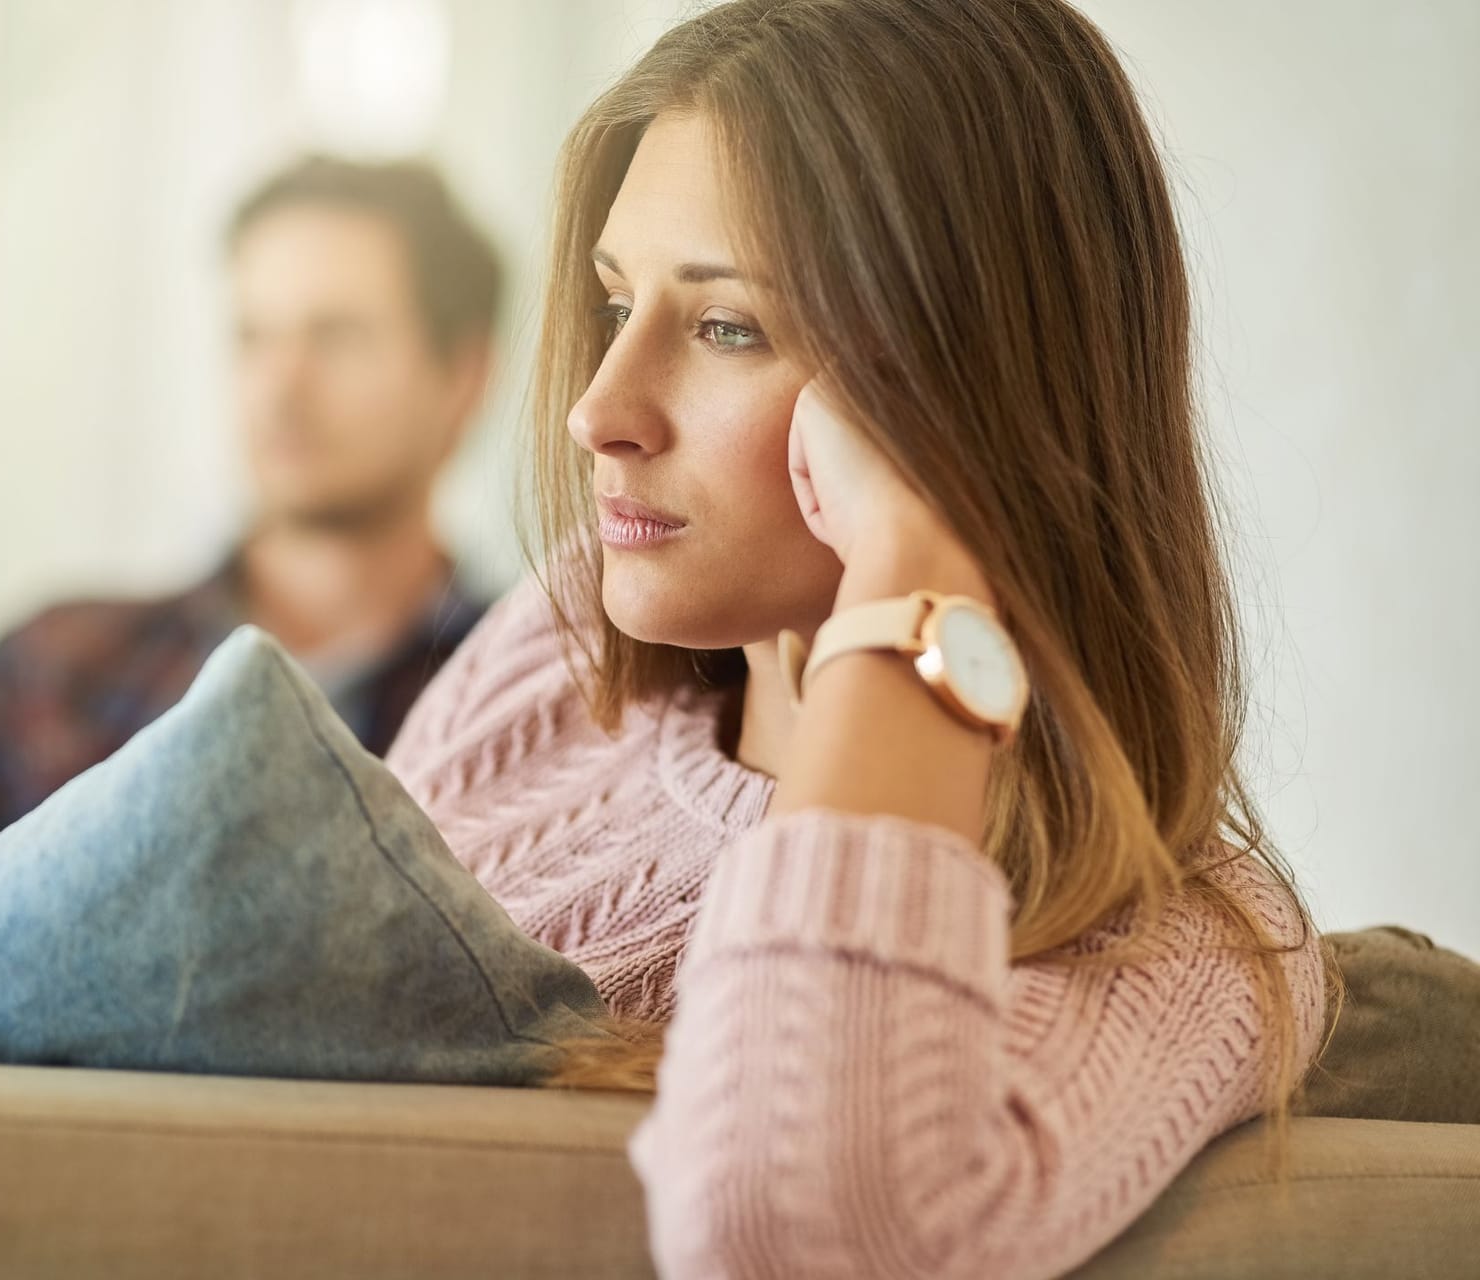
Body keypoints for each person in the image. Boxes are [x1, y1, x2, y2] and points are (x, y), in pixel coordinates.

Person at [375, 1, 1335, 1275]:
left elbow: (792, 1225)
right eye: (616, 304)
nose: (597, 410)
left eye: (729, 327)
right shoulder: (554, 664)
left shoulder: (1181, 939)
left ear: (960, 383)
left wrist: (917, 578)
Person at [0, 156, 503, 974]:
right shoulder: (54, 667)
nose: (279, 387)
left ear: (463, 378)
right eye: (252, 337)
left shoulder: (541, 698)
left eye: (337, 337)